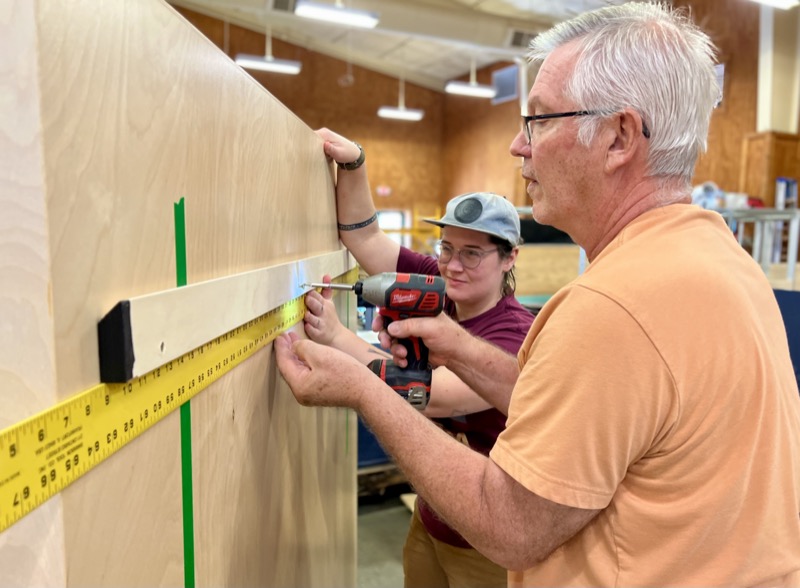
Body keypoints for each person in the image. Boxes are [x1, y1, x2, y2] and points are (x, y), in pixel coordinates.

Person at [277, 2, 800, 585]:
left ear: (619, 136)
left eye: (540, 121)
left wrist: (362, 390)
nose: (518, 147)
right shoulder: (722, 261)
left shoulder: (615, 307)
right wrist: (455, 344)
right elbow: (585, 413)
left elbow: (509, 525)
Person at [304, 131, 534, 587]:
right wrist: (354, 165)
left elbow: (429, 398)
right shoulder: (436, 283)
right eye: (446, 248)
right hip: (434, 515)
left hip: (486, 545)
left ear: (509, 259)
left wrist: (337, 337)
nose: (453, 266)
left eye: (472, 253)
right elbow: (365, 236)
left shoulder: (511, 334)